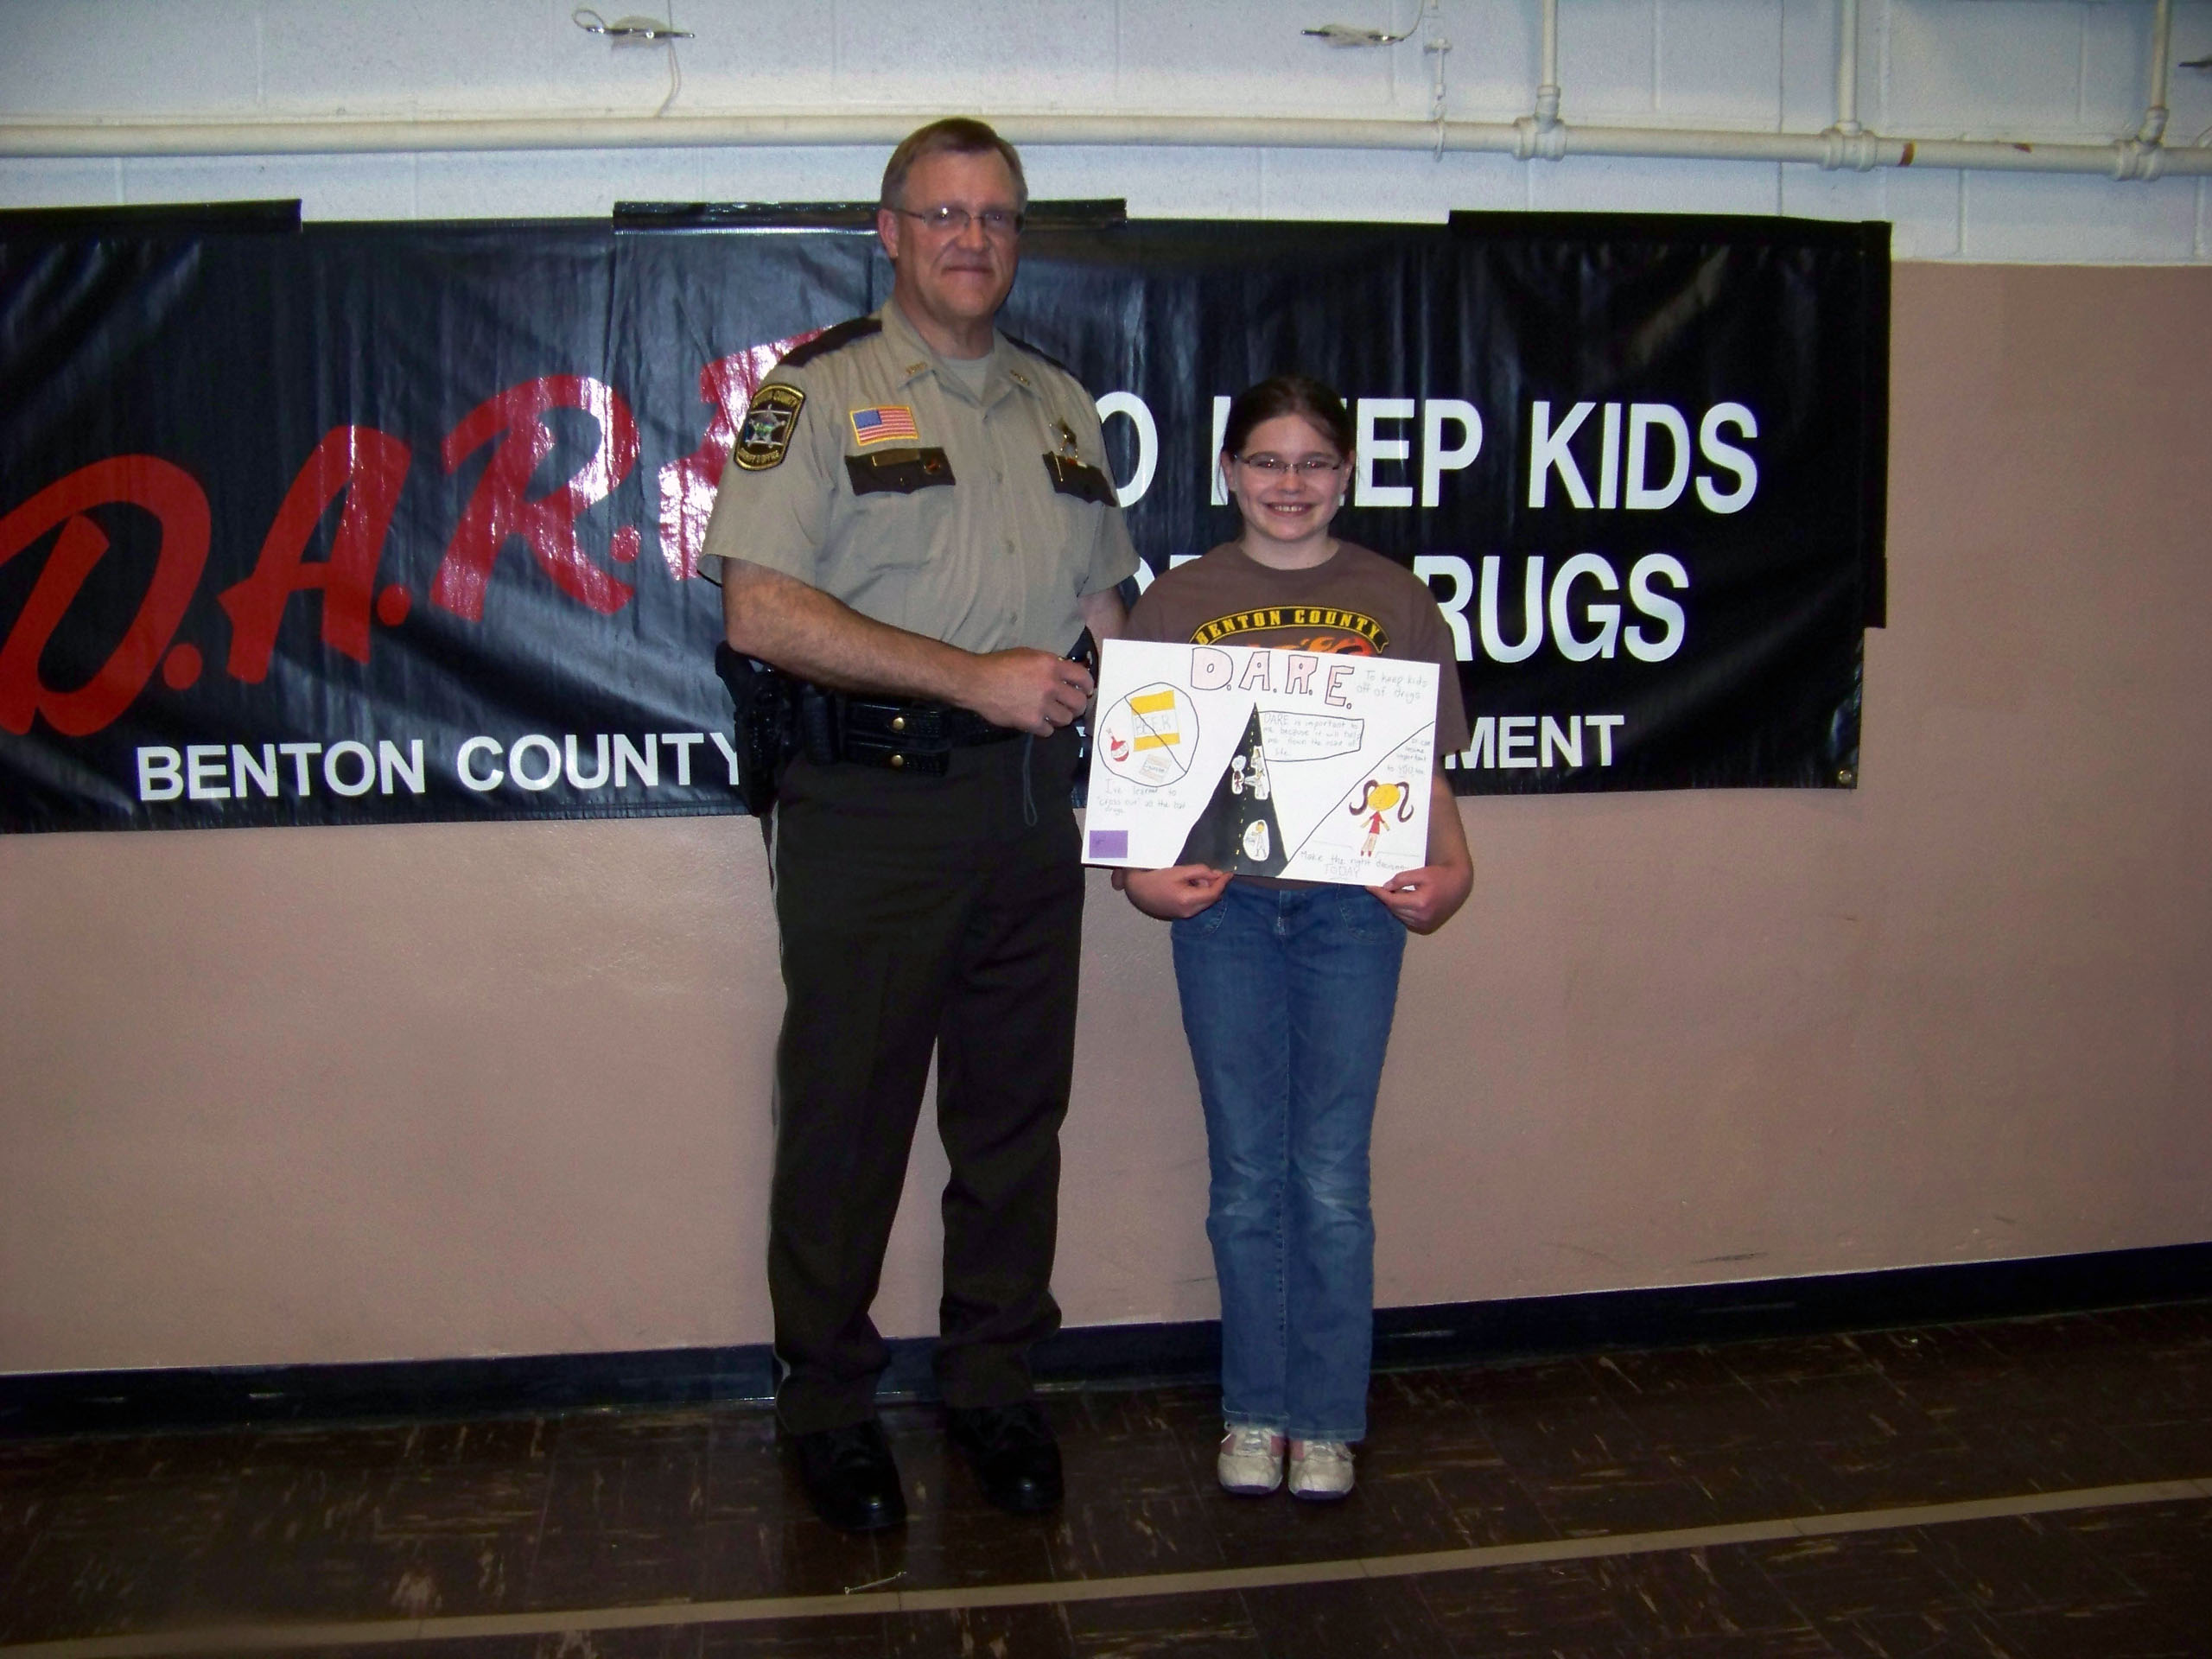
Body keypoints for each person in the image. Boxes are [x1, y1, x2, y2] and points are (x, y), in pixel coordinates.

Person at [696, 118, 1137, 1532]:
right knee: (849, 1120)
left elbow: (1107, 613)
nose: (971, 238)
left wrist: (1179, 783)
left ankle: (992, 1386)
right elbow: (762, 611)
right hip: (872, 808)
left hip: (1030, 808)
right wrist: (972, 679)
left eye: (997, 216)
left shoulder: (1060, 406)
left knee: (1014, 1122)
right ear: (888, 231)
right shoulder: (815, 394)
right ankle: (828, 1406)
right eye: (943, 213)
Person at [1117, 374, 1472, 1502]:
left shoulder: (1396, 599)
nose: (1290, 483)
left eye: (1314, 462)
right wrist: (1138, 878)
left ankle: (1323, 1420)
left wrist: (1456, 868)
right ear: (1228, 472)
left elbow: (1428, 771)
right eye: (1267, 461)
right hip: (1224, 914)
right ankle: (1252, 1410)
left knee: (1327, 1177)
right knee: (1244, 1177)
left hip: (1352, 913)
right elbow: (1140, 772)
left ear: (1347, 475)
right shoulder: (1177, 601)